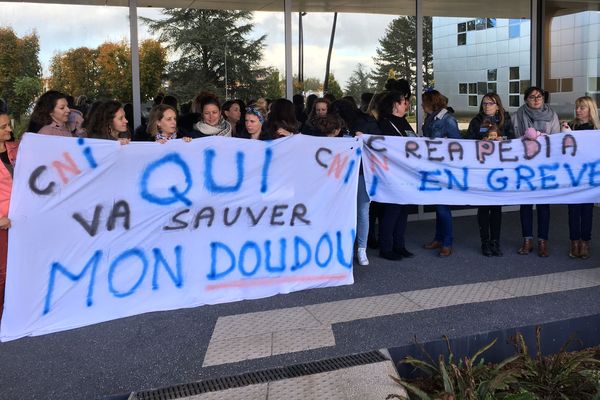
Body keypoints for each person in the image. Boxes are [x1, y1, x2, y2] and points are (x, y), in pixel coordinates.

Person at [512, 87, 560, 257]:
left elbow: (556, 138)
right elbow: (514, 138)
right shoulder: (517, 115)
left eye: (539, 96)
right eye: (532, 97)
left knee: (543, 205)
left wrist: (541, 138)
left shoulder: (552, 114)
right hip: (525, 165)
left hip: (544, 166)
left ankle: (542, 242)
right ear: (526, 99)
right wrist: (525, 138)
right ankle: (527, 240)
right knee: (525, 204)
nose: (536, 99)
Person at [467, 94, 514, 256]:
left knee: (496, 208)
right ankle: (485, 242)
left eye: (491, 103)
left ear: (498, 106)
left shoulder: (505, 120)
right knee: (483, 207)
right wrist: (479, 142)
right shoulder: (476, 121)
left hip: (499, 169)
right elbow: (468, 142)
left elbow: (513, 140)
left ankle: (496, 242)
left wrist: (503, 139)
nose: (487, 106)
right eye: (484, 103)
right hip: (482, 169)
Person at [376, 90, 415, 261]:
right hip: (392, 173)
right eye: (402, 101)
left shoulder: (403, 121)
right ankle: (386, 247)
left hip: (406, 172)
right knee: (393, 210)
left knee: (404, 209)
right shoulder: (384, 124)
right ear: (394, 105)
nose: (406, 104)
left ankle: (399, 245)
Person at [421, 89, 461, 257]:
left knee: (442, 206)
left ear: (432, 103)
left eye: (424, 102)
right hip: (433, 166)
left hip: (445, 167)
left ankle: (447, 242)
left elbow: (457, 143)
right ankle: (439, 238)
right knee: (438, 205)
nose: (422, 105)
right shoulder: (431, 118)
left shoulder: (448, 119)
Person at [562, 96, 600, 259]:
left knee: (587, 210)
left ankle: (585, 241)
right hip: (573, 175)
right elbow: (562, 151)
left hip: (590, 177)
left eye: (582, 108)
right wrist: (563, 134)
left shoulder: (596, 128)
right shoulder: (570, 126)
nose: (578, 110)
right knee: (573, 210)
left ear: (590, 109)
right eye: (577, 107)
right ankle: (574, 241)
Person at [0, 112, 18, 320]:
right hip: (3, 223)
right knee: (3, 273)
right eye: (3, 127)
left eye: (9, 125)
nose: (9, 130)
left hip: (20, 220)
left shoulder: (17, 148)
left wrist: (116, 146)